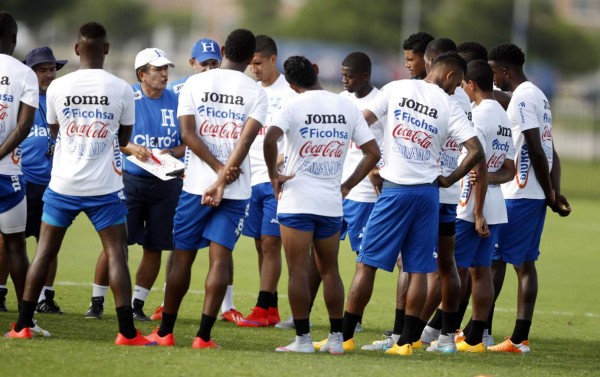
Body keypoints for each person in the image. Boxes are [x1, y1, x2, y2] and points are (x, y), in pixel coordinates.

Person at [6, 21, 154, 346]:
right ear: (107, 49)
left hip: (62, 186)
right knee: (116, 254)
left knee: (44, 251)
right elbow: (124, 138)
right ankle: (127, 333)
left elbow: (55, 132)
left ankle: (22, 325)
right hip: (105, 189)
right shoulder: (121, 88)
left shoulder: (58, 88)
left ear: (75, 49)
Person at [341, 51, 485, 356]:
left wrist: (366, 152)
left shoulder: (396, 88)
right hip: (428, 194)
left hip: (395, 190)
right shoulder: (449, 104)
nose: (457, 88)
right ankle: (405, 343)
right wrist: (449, 178)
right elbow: (475, 150)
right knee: (419, 269)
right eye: (457, 82)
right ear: (449, 77)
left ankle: (344, 337)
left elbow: (363, 119)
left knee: (366, 265)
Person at [145, 28, 267, 349]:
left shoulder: (195, 82)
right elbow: (245, 140)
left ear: (225, 49)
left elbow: (187, 134)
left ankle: (165, 332)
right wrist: (225, 177)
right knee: (220, 259)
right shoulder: (256, 91)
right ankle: (202, 337)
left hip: (196, 186)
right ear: (251, 57)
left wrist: (214, 174)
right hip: (236, 189)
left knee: (182, 258)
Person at [264, 55, 380, 353]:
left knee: (298, 270)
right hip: (331, 202)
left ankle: (302, 340)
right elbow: (372, 152)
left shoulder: (292, 106)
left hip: (297, 202)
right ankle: (337, 340)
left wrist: (273, 176)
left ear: (290, 84)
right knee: (330, 270)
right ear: (316, 71)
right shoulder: (346, 106)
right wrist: (348, 185)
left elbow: (270, 139)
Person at [84, 48, 184, 321]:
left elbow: (188, 140)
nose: (164, 74)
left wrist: (173, 153)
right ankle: (97, 301)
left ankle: (137, 304)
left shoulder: (176, 100)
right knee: (117, 244)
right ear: (142, 74)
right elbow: (109, 133)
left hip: (166, 182)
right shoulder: (126, 95)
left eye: (166, 69)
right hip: (130, 181)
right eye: (157, 69)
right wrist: (130, 148)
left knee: (155, 245)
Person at [485, 43, 571, 353]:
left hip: (520, 192)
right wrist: (553, 192)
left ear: (505, 70)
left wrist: (550, 193)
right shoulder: (539, 95)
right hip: (531, 193)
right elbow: (552, 149)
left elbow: (536, 148)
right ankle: (516, 337)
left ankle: (484, 334)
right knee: (523, 263)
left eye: (494, 71)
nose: (493, 78)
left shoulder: (523, 98)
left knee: (496, 262)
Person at [453, 59, 516, 352]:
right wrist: (490, 179)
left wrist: (477, 212)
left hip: (471, 205)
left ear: (471, 85)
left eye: (463, 85)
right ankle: (477, 336)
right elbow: (509, 168)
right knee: (481, 271)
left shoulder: (478, 116)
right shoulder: (503, 116)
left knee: (452, 269)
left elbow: (476, 163)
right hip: (495, 201)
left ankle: (445, 334)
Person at [237, 35, 296, 328]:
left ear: (273, 59)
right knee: (261, 245)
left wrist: (284, 158)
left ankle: (262, 307)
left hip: (277, 181)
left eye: (258, 63)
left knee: (272, 244)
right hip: (251, 180)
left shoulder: (291, 93)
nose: (253, 68)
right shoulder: (249, 91)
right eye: (250, 63)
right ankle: (270, 305)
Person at [20, 47, 68, 315]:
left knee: (48, 244)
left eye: (52, 69)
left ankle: (45, 297)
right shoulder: (20, 99)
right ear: (30, 73)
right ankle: (1, 293)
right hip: (23, 179)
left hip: (54, 183)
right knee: (9, 241)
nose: (49, 74)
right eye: (42, 69)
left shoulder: (62, 99)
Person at [0, 12, 38, 324]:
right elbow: (24, 126)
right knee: (15, 247)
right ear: (13, 39)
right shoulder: (25, 74)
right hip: (7, 175)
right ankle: (26, 322)